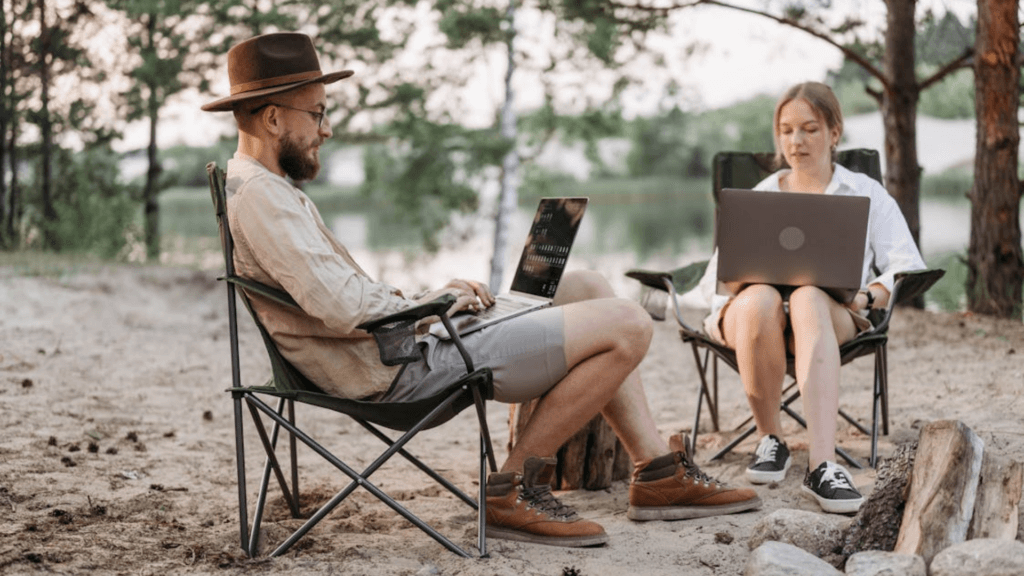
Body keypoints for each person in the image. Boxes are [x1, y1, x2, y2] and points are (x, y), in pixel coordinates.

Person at [202, 32, 761, 548]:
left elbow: (340, 294)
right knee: (630, 324)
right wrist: (436, 305)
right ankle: (512, 489)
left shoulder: (266, 189)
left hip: (401, 347)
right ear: (273, 118)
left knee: (589, 284)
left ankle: (655, 473)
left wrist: (432, 298)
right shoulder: (261, 198)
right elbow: (344, 306)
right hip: (397, 370)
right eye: (318, 114)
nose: (326, 129)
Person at [693, 81, 926, 514]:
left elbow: (906, 265)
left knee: (808, 297)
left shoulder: (865, 193)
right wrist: (741, 279)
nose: (795, 142)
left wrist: (865, 298)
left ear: (834, 133)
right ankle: (770, 439)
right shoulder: (760, 196)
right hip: (753, 320)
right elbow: (716, 281)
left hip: (826, 317)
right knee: (762, 296)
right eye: (786, 130)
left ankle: (823, 465)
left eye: (809, 129)